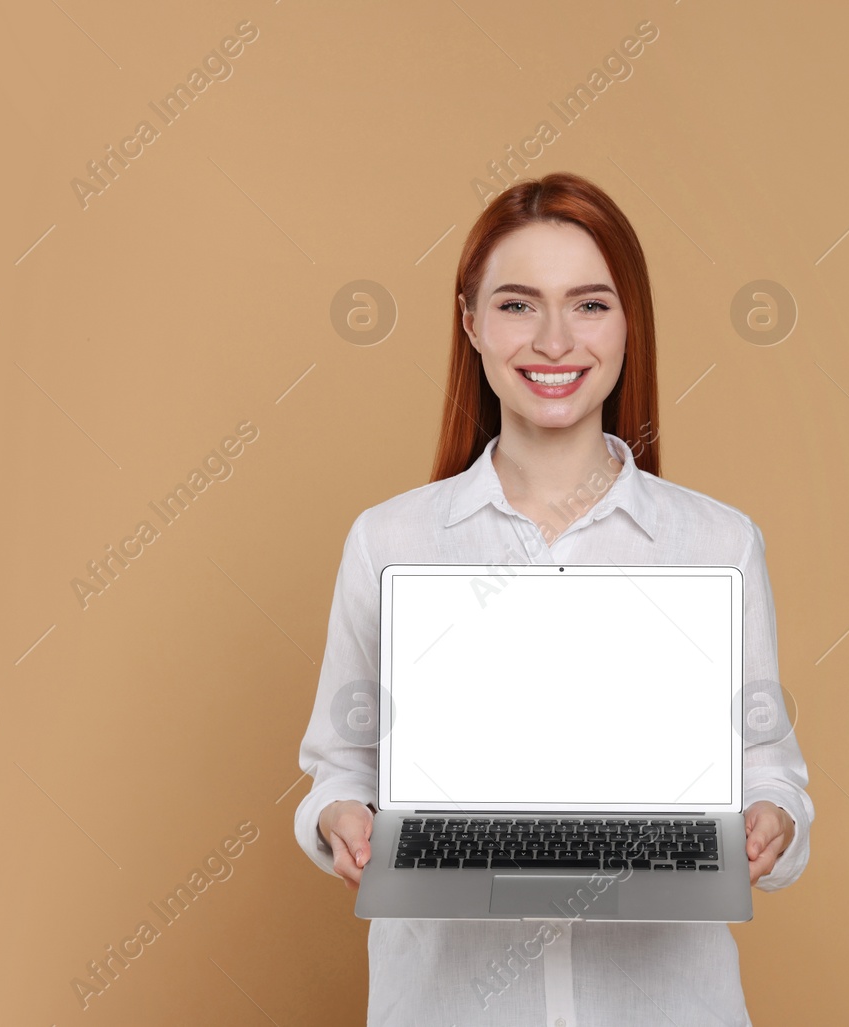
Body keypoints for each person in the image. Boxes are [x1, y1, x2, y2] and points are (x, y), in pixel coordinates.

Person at [294, 171, 814, 1026]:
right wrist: (340, 816)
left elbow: (771, 767)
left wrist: (769, 817)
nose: (554, 339)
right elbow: (338, 767)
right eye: (516, 305)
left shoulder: (718, 543)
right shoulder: (389, 543)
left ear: (628, 321)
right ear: (469, 322)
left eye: (590, 304)